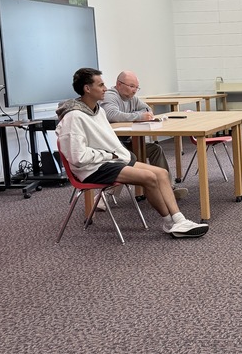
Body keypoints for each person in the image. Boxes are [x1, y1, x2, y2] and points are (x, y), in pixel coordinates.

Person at [56, 68, 208, 238]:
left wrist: (117, 155)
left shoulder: (98, 111)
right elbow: (78, 157)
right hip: (93, 168)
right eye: (101, 84)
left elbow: (107, 142)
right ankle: (169, 222)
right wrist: (110, 155)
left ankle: (179, 220)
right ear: (87, 89)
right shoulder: (74, 117)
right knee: (149, 178)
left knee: (162, 173)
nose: (105, 88)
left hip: (110, 160)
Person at [101, 70, 188, 201]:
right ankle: (104, 196)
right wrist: (139, 116)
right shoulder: (110, 96)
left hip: (126, 143)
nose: (135, 90)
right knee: (131, 157)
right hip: (110, 147)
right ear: (119, 84)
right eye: (131, 86)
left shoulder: (132, 98)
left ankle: (167, 188)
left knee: (155, 149)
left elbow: (148, 110)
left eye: (136, 87)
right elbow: (112, 115)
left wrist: (141, 114)